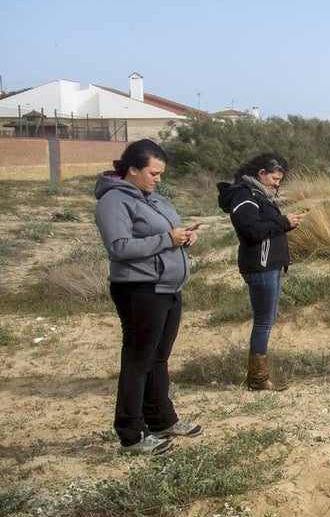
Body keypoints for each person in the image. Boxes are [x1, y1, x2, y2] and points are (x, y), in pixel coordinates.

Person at [95, 139, 203, 455]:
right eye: (153, 173)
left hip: (167, 288)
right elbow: (119, 247)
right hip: (139, 290)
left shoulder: (151, 198)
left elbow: (161, 239)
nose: (158, 179)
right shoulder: (114, 201)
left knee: (159, 358)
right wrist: (167, 239)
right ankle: (131, 434)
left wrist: (182, 238)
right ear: (132, 169)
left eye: (160, 174)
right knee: (137, 361)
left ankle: (161, 419)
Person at [216, 153, 306, 391]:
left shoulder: (258, 194)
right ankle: (258, 379)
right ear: (261, 174)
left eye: (280, 180)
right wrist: (284, 222)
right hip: (260, 266)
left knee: (267, 319)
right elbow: (252, 231)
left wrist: (284, 223)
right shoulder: (244, 196)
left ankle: (259, 375)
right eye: (274, 178)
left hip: (269, 265)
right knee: (264, 321)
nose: (277, 183)